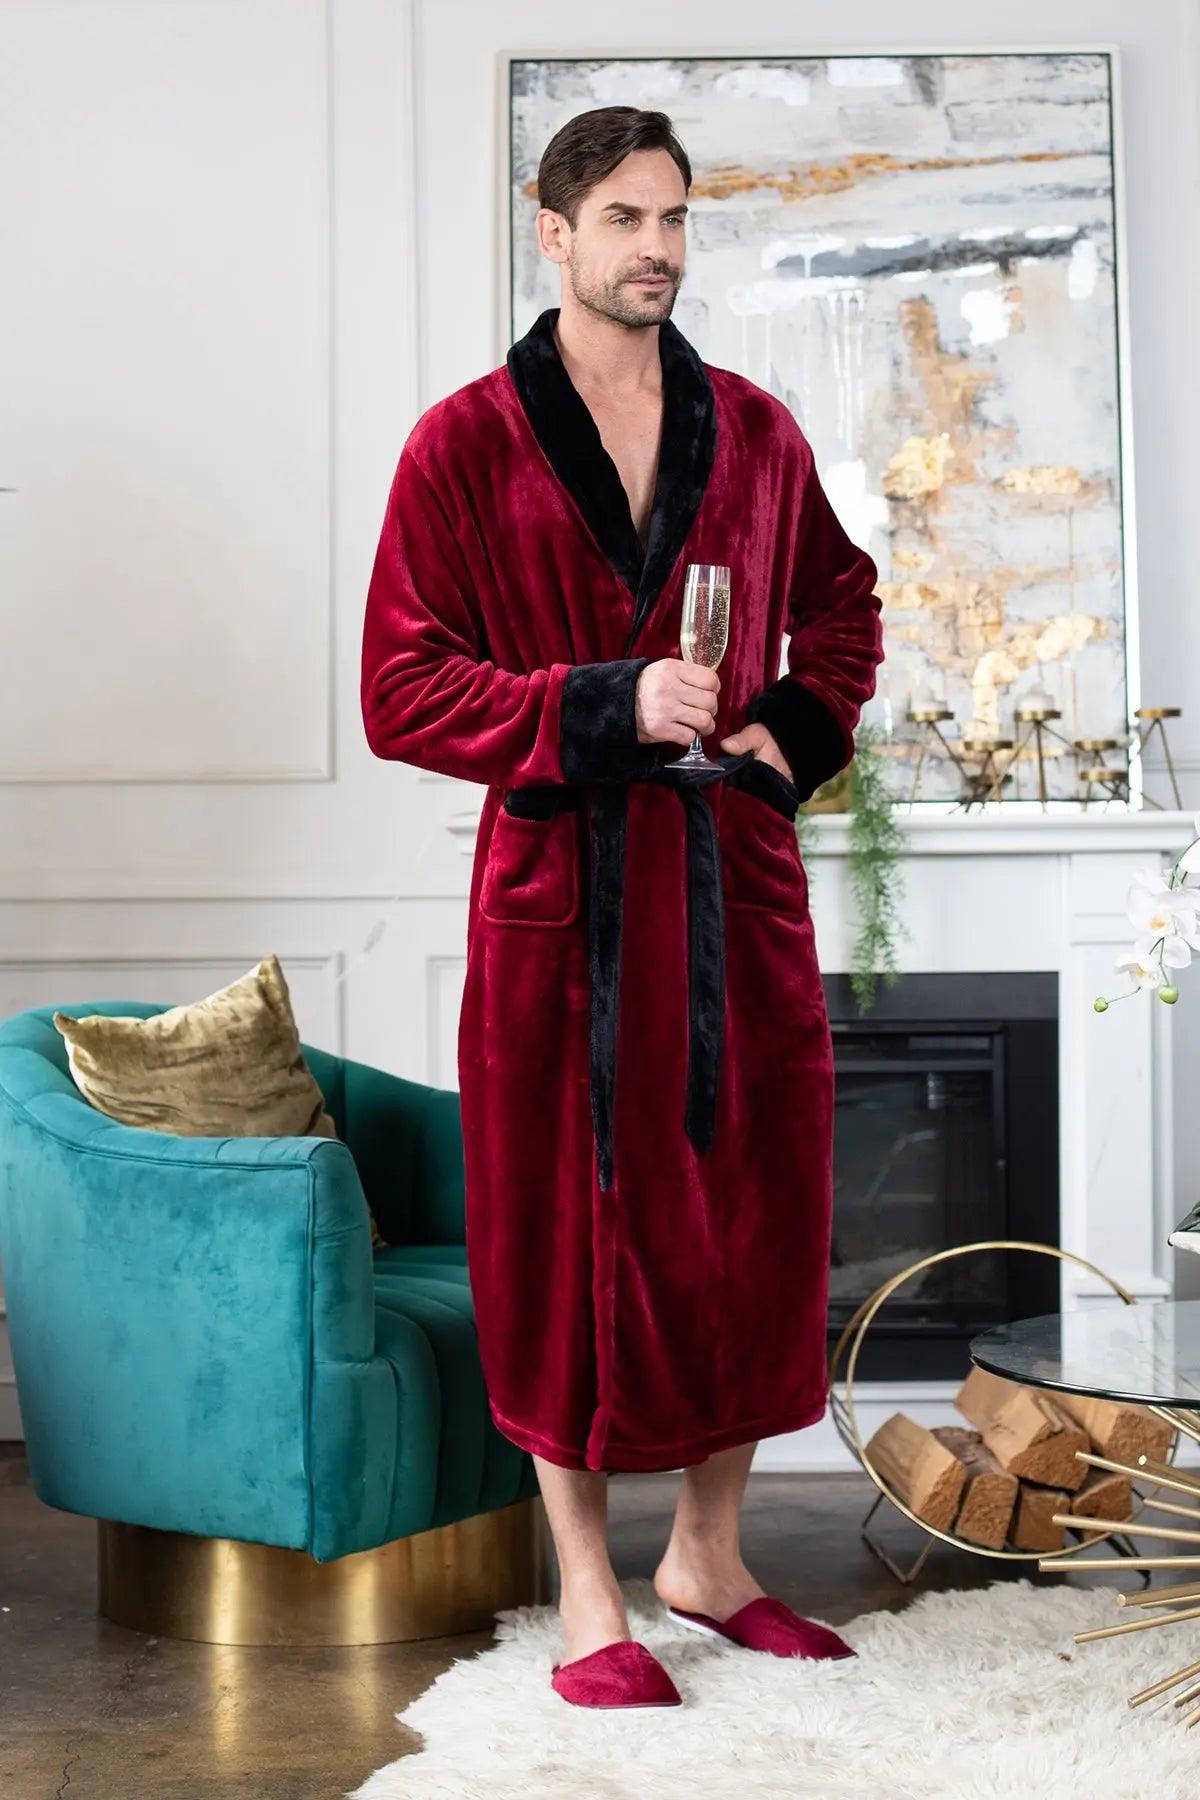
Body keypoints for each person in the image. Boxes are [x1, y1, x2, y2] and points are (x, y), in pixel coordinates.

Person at [360, 104, 885, 1708]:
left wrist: (778, 743)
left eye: (673, 218)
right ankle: (590, 1589)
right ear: (556, 233)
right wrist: (603, 703)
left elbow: (844, 612)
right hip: (562, 903)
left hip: (730, 889)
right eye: (623, 219)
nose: (656, 248)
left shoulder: (757, 432)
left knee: (747, 1221)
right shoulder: (464, 444)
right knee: (560, 1233)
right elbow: (401, 688)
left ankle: (708, 1557)